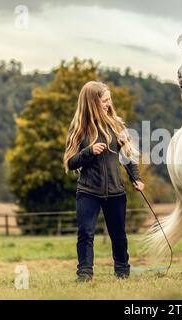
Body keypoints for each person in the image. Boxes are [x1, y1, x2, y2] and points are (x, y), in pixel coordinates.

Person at [63, 81, 144, 282]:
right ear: (92, 102)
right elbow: (71, 163)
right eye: (104, 100)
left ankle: (122, 272)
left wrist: (136, 178)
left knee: (118, 235)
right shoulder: (79, 128)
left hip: (116, 191)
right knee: (85, 233)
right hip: (88, 191)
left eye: (109, 99)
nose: (108, 104)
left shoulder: (116, 124)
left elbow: (128, 156)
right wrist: (88, 152)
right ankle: (84, 274)